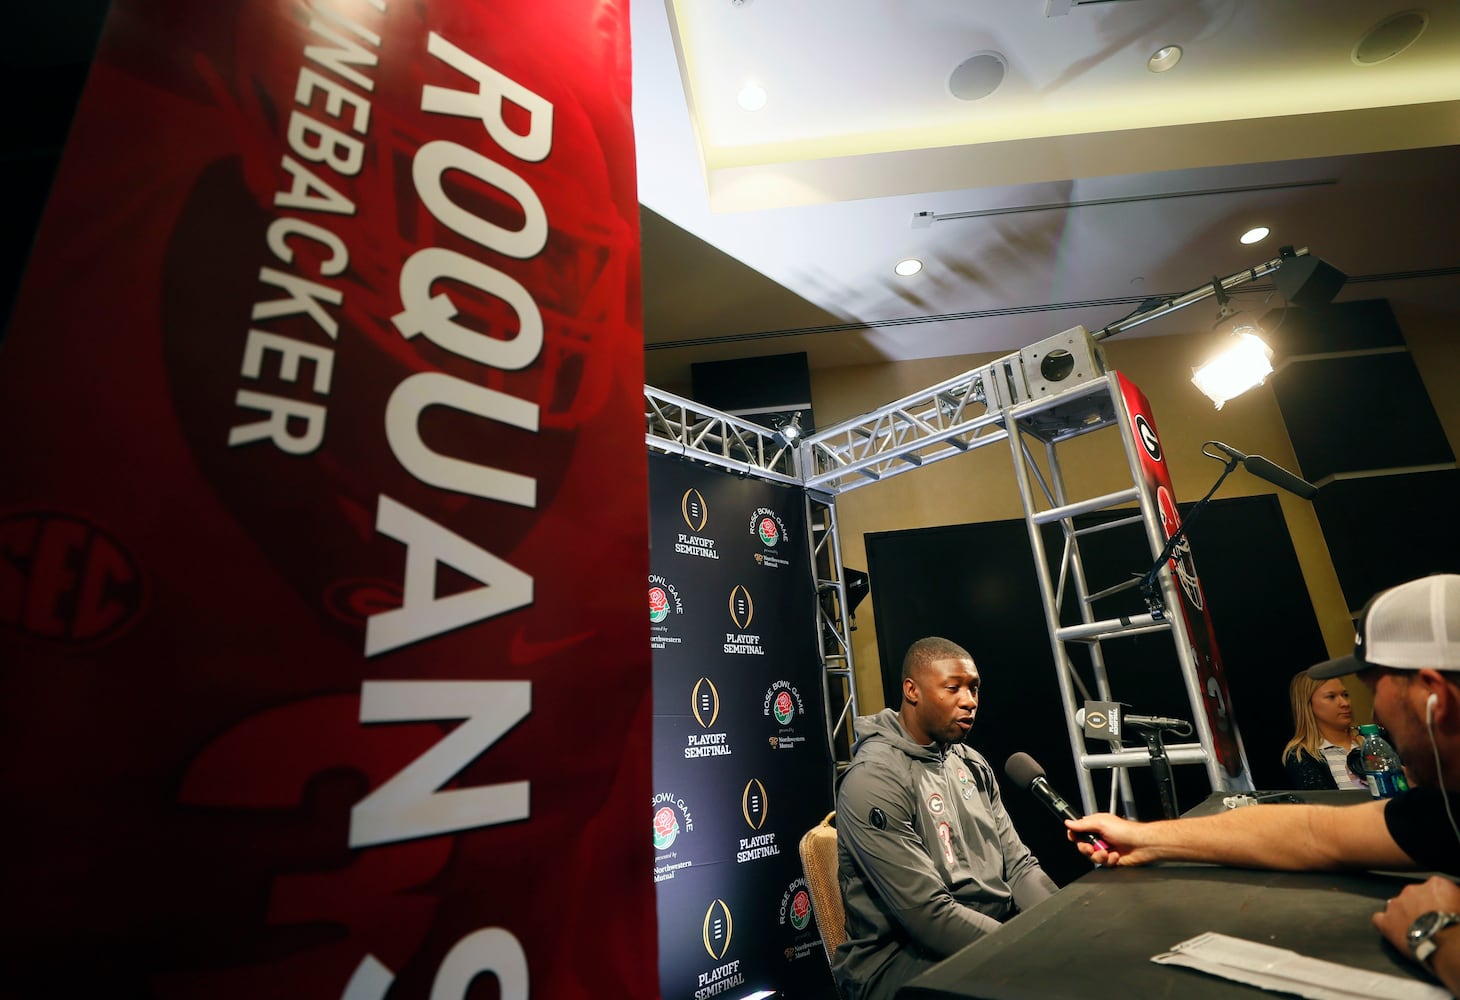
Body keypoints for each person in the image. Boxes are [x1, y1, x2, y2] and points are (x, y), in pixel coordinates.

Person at [1065, 573, 1460, 996]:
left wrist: (1434, 936)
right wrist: (1143, 837)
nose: (1373, 714)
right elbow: (1314, 834)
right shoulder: (1446, 811)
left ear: (1433, 697)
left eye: (1371, 688)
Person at [833, 636, 1056, 1000]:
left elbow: (1019, 868)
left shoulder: (971, 763)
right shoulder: (873, 779)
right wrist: (1024, 949)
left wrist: (1060, 924)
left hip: (987, 935)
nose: (969, 701)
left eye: (974, 689)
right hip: (898, 962)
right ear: (912, 690)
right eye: (953, 688)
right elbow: (927, 915)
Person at [1281, 670, 1366, 790]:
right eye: (1331, 697)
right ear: (1308, 704)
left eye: (1345, 695)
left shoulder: (1372, 740)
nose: (1344, 703)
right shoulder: (1302, 755)